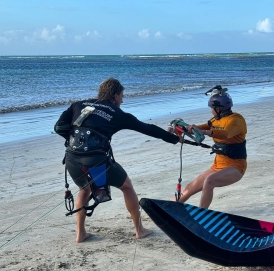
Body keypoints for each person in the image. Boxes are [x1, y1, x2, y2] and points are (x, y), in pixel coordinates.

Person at [54, 78, 183, 243]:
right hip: (97, 162)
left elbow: (58, 127)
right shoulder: (117, 114)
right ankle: (139, 230)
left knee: (84, 189)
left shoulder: (78, 105)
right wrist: (174, 138)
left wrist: (75, 139)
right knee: (127, 186)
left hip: (72, 160)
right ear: (115, 95)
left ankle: (80, 234)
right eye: (122, 96)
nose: (122, 100)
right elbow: (148, 129)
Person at [170, 85, 247, 208]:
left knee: (209, 181)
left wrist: (206, 132)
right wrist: (179, 130)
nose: (211, 110)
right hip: (217, 166)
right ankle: (168, 206)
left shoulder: (237, 120)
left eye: (212, 108)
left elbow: (226, 133)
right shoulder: (214, 121)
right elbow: (196, 130)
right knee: (189, 187)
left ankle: (202, 214)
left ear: (218, 108)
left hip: (236, 167)